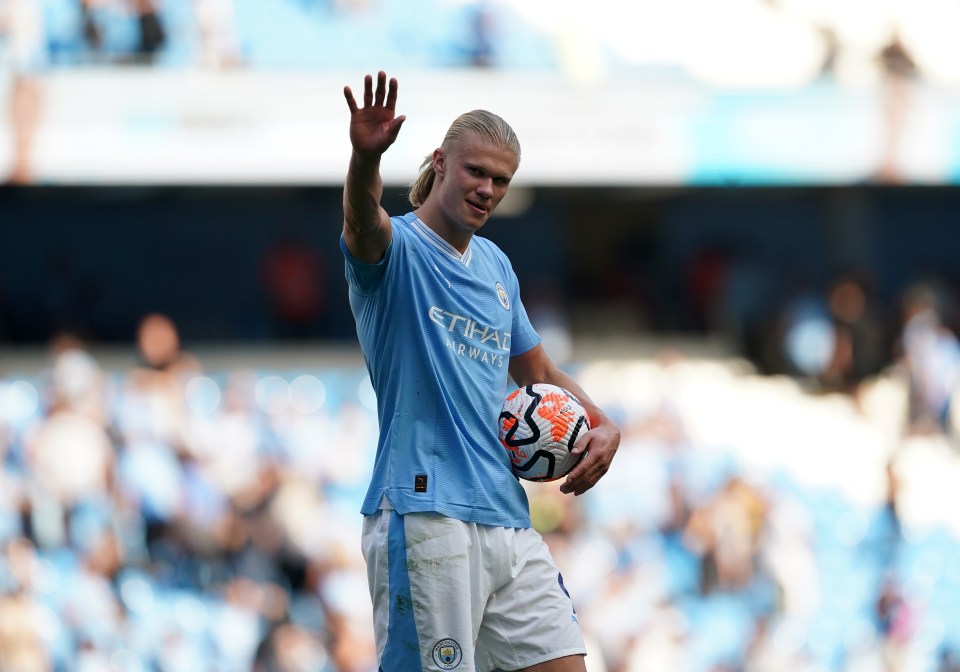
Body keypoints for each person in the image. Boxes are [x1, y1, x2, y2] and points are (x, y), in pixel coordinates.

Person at [339, 70, 621, 671]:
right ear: (440, 162)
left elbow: (537, 368)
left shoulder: (495, 264)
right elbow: (363, 222)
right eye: (477, 172)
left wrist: (600, 421)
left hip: (507, 517)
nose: (488, 188)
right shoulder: (399, 250)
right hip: (426, 516)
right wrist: (365, 161)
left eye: (501, 180)